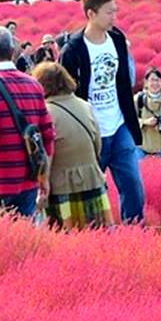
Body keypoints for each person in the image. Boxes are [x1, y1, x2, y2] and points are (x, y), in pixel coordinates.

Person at [58, 0, 145, 224]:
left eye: (115, 12)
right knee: (94, 194)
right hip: (90, 132)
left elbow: (124, 82)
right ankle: (99, 238)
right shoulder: (73, 49)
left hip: (119, 126)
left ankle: (134, 235)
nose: (114, 17)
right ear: (91, 14)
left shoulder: (117, 39)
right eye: (109, 13)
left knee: (133, 187)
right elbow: (63, 93)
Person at [0, 26, 55, 218]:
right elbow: (47, 135)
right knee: (22, 244)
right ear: (12, 52)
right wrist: (44, 180)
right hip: (27, 183)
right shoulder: (33, 84)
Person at [32, 61, 113, 229]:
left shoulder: (46, 113)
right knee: (98, 240)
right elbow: (98, 145)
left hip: (62, 187)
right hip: (92, 180)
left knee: (64, 242)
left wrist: (41, 189)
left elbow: (46, 156)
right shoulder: (85, 106)